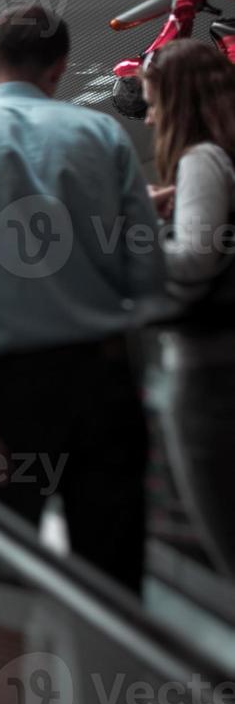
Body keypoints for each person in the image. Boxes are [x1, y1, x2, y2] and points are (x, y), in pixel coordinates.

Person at [0, 5, 165, 592]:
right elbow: (146, 271)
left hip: (1, 396)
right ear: (60, 70)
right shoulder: (102, 133)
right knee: (115, 584)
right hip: (103, 382)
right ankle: (118, 683)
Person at [141, 40, 235, 576]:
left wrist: (138, 227)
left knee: (224, 528)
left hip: (211, 373)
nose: (151, 115)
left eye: (154, 101)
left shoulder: (202, 158)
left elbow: (195, 259)